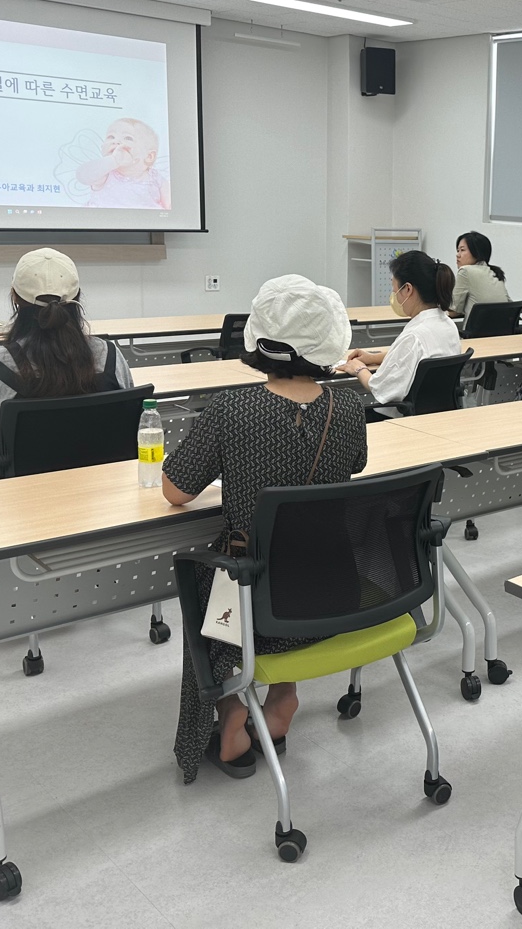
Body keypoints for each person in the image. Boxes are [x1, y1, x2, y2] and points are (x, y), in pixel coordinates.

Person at [163, 275, 367, 782]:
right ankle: (282, 701)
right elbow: (356, 463)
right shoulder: (347, 406)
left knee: (213, 576)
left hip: (258, 597)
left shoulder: (233, 408)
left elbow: (175, 491)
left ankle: (232, 720)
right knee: (283, 559)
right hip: (332, 588)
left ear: (262, 338)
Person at [0, 249, 133, 460]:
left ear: (15, 297)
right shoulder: (109, 356)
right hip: (106, 489)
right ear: (77, 296)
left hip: (19, 492)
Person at [339, 250, 460, 417]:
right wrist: (373, 357)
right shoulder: (447, 324)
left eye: (394, 288)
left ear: (408, 289)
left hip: (399, 421)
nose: (394, 294)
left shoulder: (414, 335)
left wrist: (358, 368)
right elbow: (418, 358)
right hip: (436, 417)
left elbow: (380, 387)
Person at [79, 118, 170, 210]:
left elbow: (170, 204)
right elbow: (83, 176)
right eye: (111, 137)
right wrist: (112, 161)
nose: (116, 141)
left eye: (128, 138)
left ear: (149, 156)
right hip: (104, 221)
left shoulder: (156, 178)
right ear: (102, 147)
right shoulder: (105, 174)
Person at [450, 231, 511, 321]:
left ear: (477, 252)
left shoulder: (465, 271)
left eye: (462, 250)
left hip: (476, 333)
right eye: (458, 250)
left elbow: (454, 310)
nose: (458, 255)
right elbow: (509, 304)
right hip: (503, 333)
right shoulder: (494, 272)